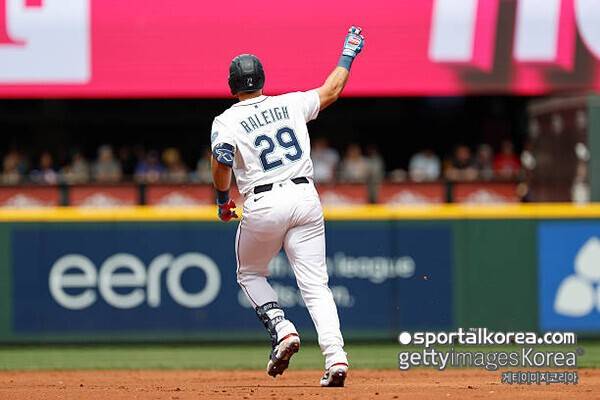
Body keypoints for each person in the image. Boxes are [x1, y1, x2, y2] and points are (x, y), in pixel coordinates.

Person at [210, 26, 364, 387]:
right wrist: (348, 53)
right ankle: (336, 358)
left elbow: (221, 160)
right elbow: (332, 90)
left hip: (264, 201)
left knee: (250, 273)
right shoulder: (291, 103)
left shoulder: (227, 120)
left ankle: (282, 328)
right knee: (316, 285)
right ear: (262, 79)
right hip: (305, 196)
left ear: (232, 85)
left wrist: (222, 200)